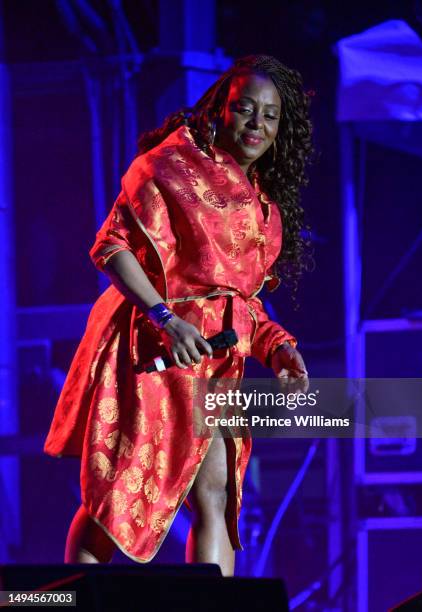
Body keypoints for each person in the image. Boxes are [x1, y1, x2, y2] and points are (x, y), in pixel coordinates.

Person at [44, 54, 313, 577]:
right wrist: (166, 318)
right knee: (114, 498)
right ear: (219, 109)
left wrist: (279, 348)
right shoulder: (169, 167)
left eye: (270, 115)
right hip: (151, 352)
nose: (257, 124)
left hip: (214, 366)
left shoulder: (265, 211)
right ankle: (63, 602)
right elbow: (111, 246)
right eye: (245, 109)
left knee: (217, 496)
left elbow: (243, 305)